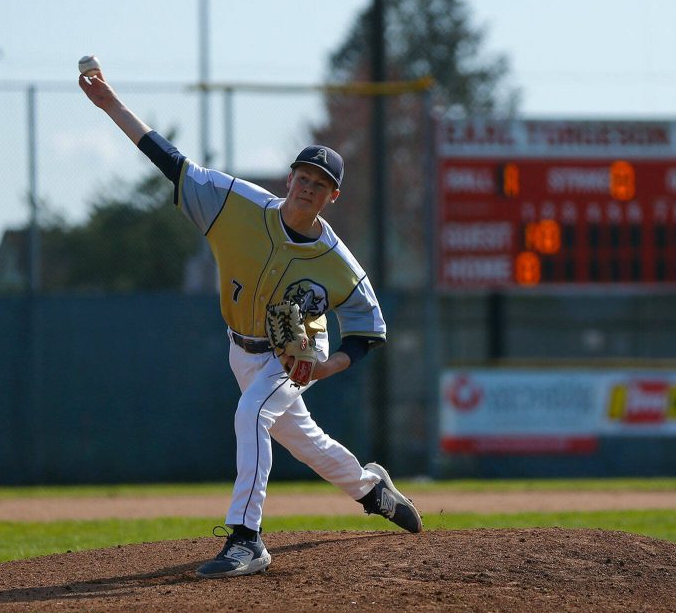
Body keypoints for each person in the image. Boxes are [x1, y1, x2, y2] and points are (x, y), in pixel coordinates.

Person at [78, 62, 422, 579]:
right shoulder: (234, 205)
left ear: (333, 197)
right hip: (241, 347)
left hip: (296, 351)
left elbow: (369, 329)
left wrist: (326, 368)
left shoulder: (338, 262)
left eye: (320, 184)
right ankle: (373, 490)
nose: (308, 187)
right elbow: (171, 162)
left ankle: (247, 538)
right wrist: (112, 106)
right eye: (303, 177)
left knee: (250, 413)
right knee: (304, 443)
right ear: (290, 178)